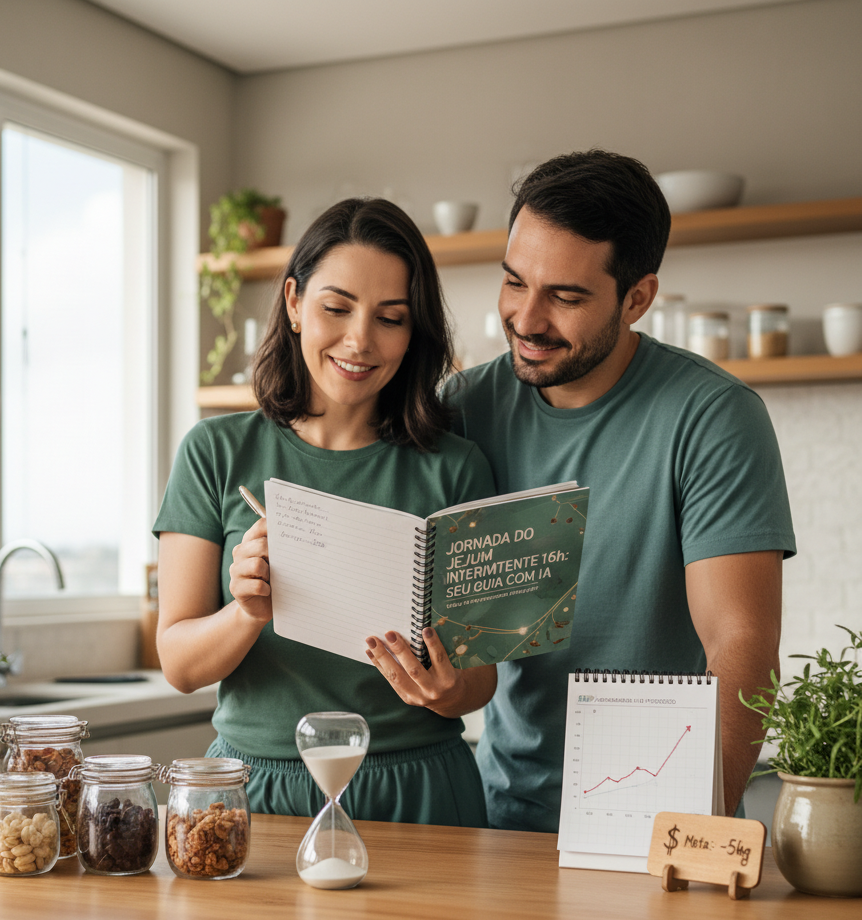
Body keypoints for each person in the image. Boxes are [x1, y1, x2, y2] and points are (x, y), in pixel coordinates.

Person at [441, 150, 796, 831]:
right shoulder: (463, 407)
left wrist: (694, 828)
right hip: (499, 813)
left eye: (566, 297)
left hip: (660, 811)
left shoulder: (713, 416)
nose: (527, 317)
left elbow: (739, 641)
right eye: (515, 282)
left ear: (638, 298)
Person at [154, 197, 497, 826]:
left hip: (416, 787)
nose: (360, 340)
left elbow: (480, 680)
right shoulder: (215, 452)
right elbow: (178, 663)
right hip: (258, 791)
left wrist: (450, 691)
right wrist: (247, 612)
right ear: (292, 303)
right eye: (335, 308)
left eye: (390, 318)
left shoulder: (456, 467)